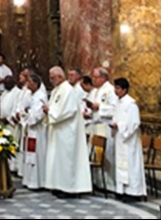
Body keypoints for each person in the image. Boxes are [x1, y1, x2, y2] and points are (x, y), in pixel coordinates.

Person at [44, 66, 92, 197]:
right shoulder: (57, 90)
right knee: (57, 160)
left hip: (67, 132)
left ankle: (68, 188)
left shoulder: (67, 90)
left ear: (60, 76)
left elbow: (68, 111)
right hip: (58, 131)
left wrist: (50, 112)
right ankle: (57, 185)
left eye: (53, 77)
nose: (51, 80)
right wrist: (49, 110)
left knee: (66, 160)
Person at [111, 77, 147, 200]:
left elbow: (134, 123)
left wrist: (120, 126)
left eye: (118, 88)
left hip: (129, 140)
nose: (116, 91)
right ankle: (121, 190)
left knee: (131, 165)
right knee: (121, 164)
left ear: (124, 89)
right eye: (115, 88)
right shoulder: (118, 102)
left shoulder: (131, 104)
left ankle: (133, 192)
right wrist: (114, 124)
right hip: (120, 138)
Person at [86, 67, 117, 188]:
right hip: (95, 126)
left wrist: (99, 107)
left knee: (106, 154)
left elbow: (115, 108)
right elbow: (91, 107)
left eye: (95, 77)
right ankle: (97, 181)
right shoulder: (95, 91)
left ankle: (109, 184)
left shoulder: (110, 91)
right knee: (95, 154)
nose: (93, 79)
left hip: (105, 127)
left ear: (103, 78)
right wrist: (88, 111)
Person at [22, 73, 48, 190]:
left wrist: (28, 118)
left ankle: (38, 181)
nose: (28, 84)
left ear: (35, 84)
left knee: (36, 157)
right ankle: (30, 180)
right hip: (31, 130)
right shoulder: (32, 96)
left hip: (37, 130)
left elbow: (38, 115)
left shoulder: (40, 96)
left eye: (30, 82)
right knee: (30, 156)